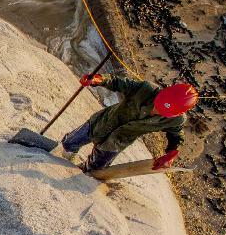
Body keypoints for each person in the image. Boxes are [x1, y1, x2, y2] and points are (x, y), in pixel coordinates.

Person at [60, 73, 198, 172]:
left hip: (118, 141)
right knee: (69, 143)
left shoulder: (177, 120)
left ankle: (81, 171)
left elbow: (175, 136)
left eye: (163, 111)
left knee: (95, 168)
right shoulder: (145, 89)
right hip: (102, 123)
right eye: (158, 103)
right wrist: (98, 79)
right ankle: (66, 158)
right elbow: (117, 82)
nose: (156, 109)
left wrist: (171, 154)